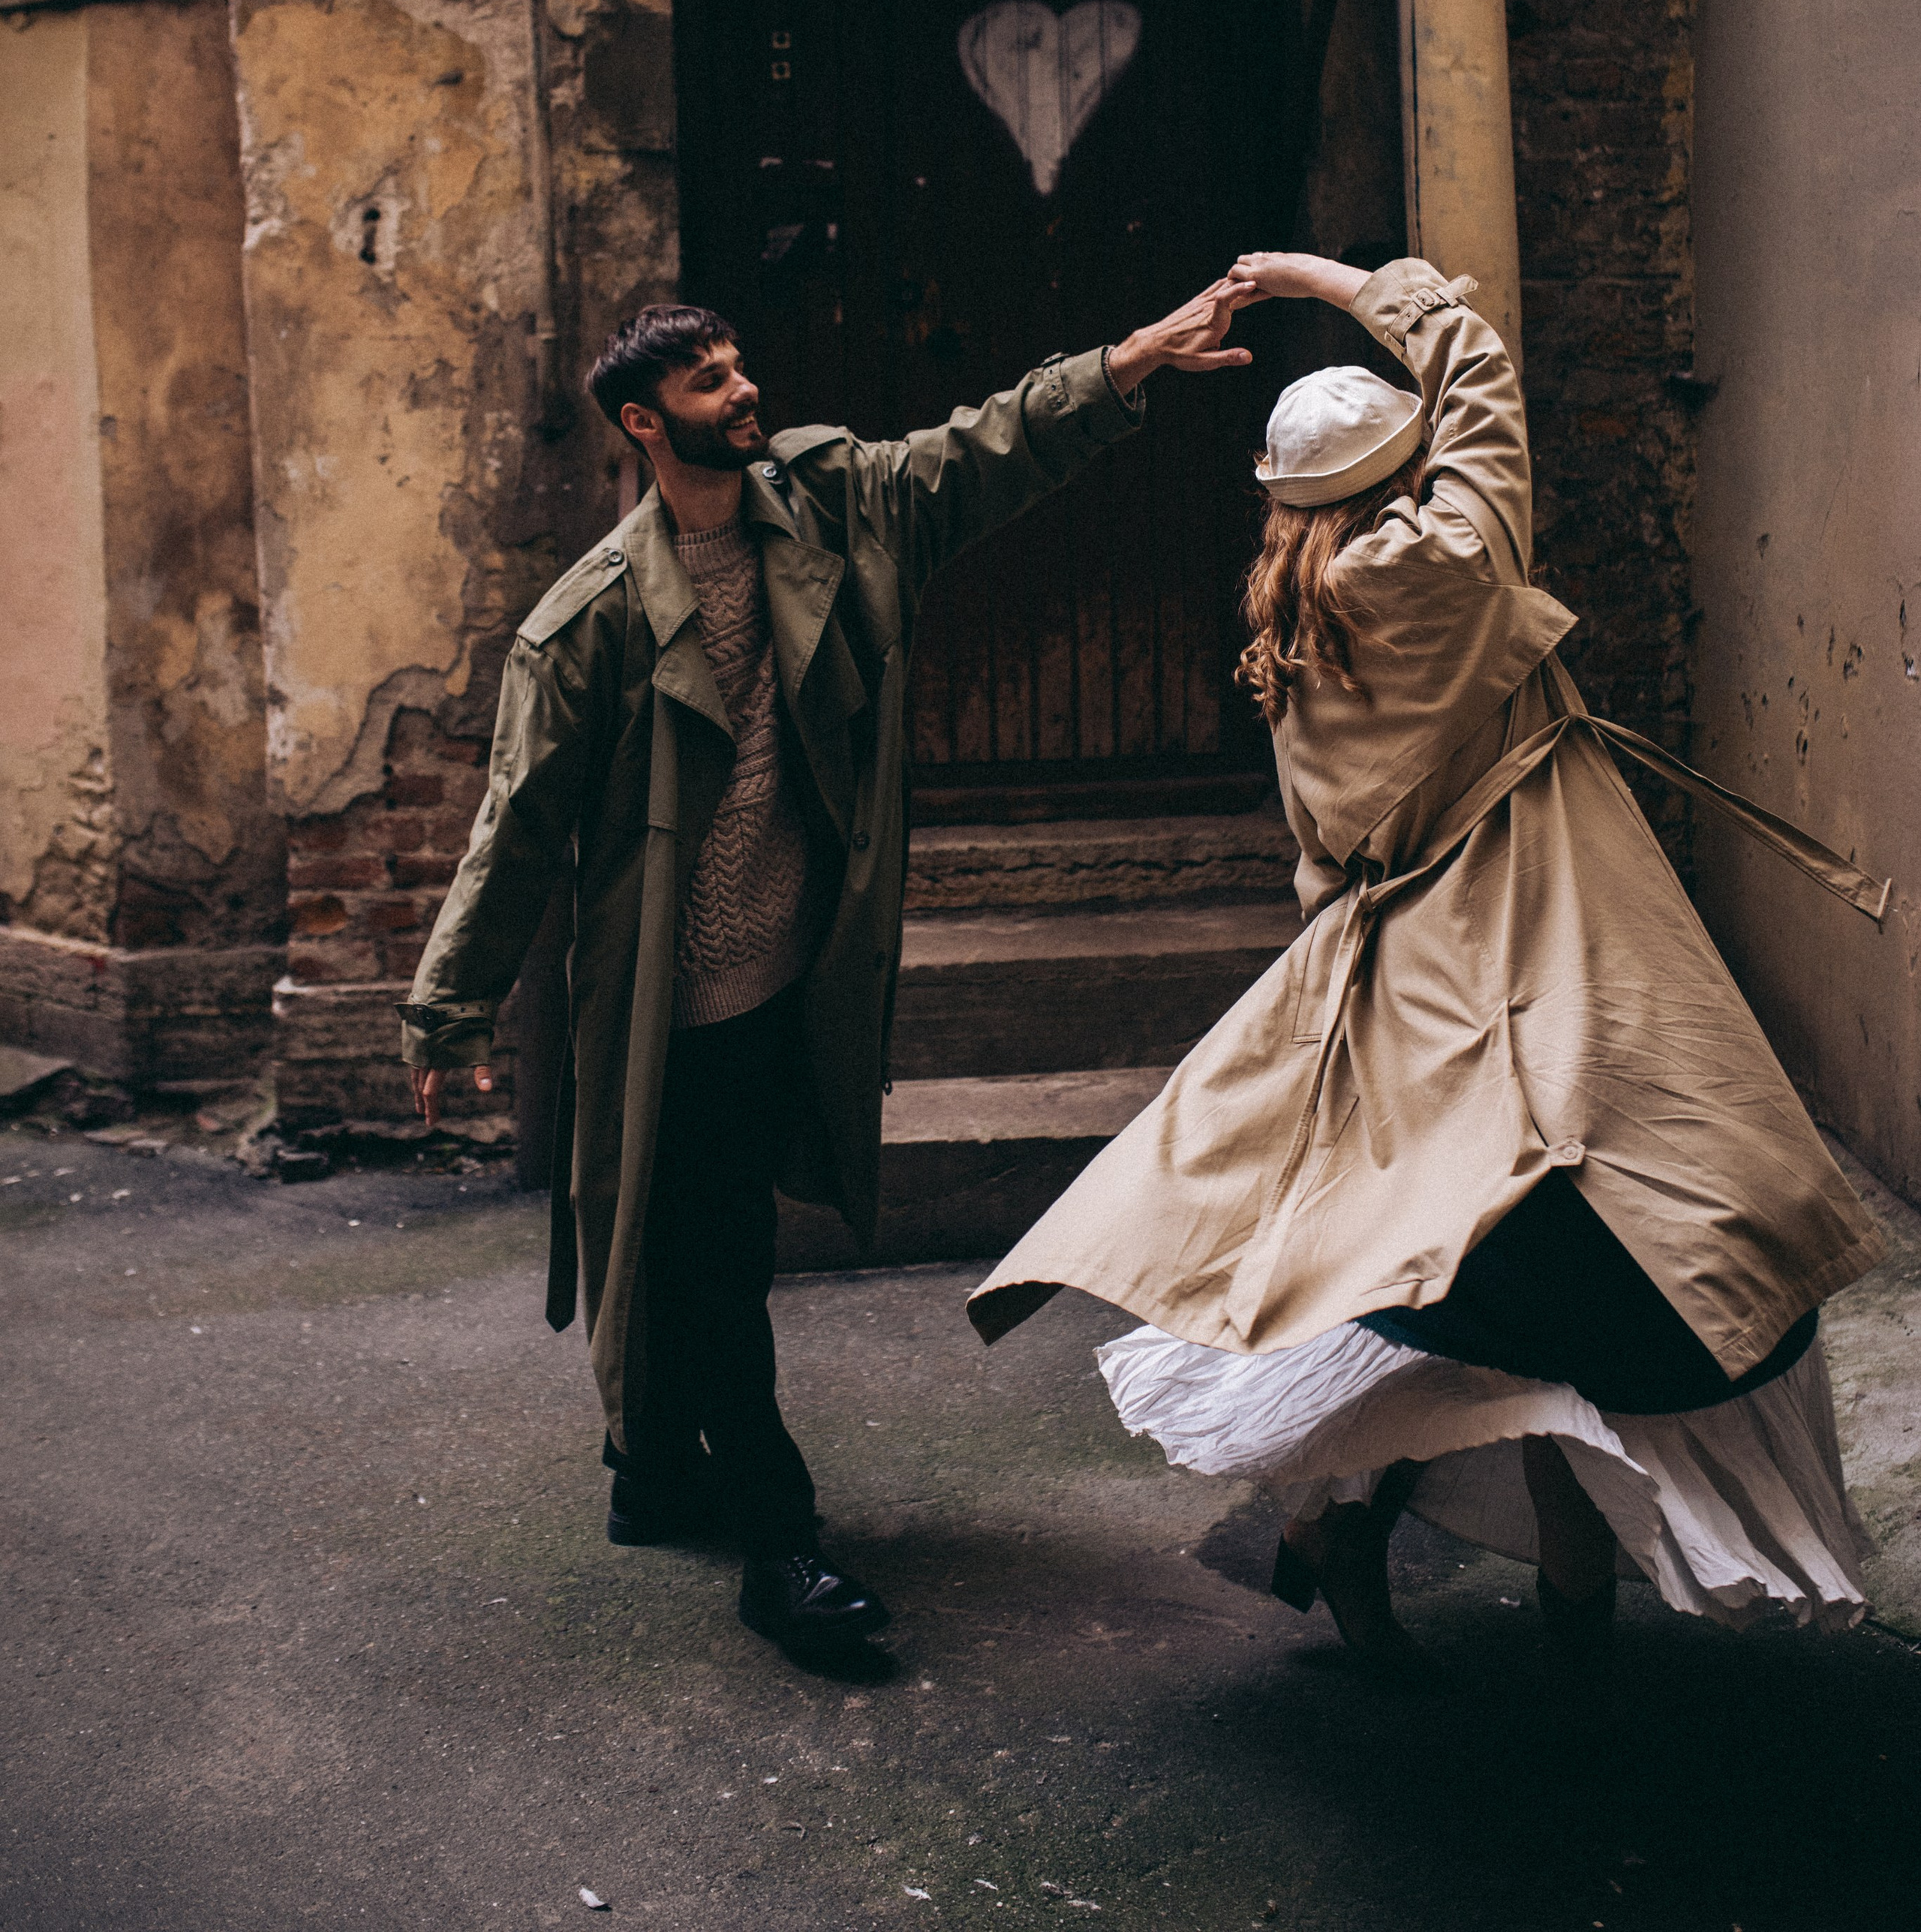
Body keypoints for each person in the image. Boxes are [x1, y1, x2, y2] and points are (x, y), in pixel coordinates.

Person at [969, 252, 1887, 1684]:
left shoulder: (1293, 606)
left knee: (1429, 1292)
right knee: (1620, 1247)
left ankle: (1348, 1533)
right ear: (1405, 480)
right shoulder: (1437, 567)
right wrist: (1329, 279)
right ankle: (1566, 1618)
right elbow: (1482, 377)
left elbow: (1325, 845)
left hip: (1397, 978)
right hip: (1530, 950)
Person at [401, 283, 1251, 1660]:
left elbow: (986, 448)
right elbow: (518, 825)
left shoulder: (838, 505)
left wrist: (1130, 362)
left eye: (742, 365)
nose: (744, 391)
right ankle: (778, 1545)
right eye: (707, 384)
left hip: (797, 968)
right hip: (670, 1010)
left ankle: (658, 1473)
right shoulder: (592, 622)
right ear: (642, 424)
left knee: (700, 1247)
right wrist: (448, 1005)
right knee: (711, 1258)